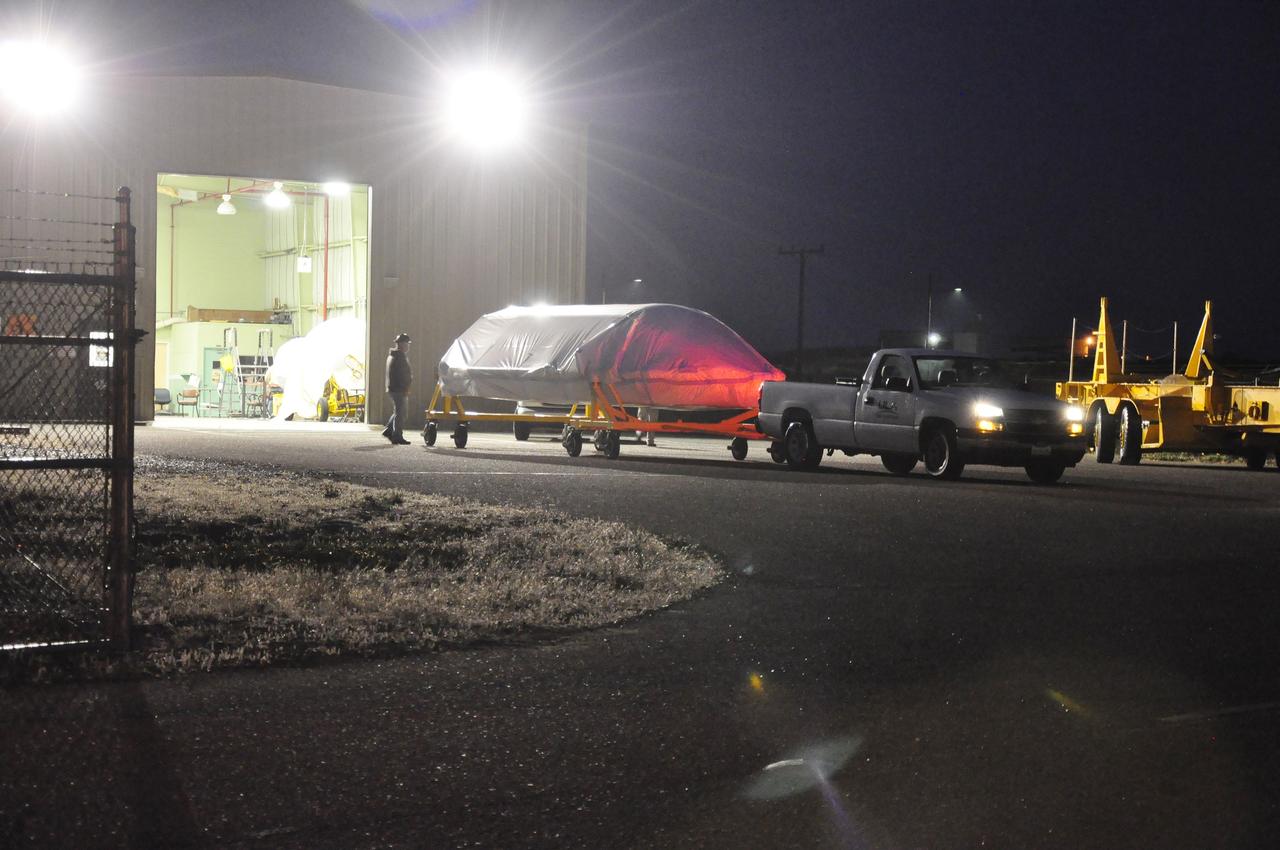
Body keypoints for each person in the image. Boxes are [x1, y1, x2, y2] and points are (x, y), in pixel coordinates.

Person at [383, 332, 412, 445]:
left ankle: (389, 430)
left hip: (394, 388)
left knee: (399, 411)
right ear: (401, 344)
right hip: (398, 389)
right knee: (401, 413)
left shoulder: (394, 355)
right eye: (406, 344)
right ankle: (397, 436)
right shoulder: (399, 357)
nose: (407, 346)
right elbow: (401, 374)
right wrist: (405, 387)